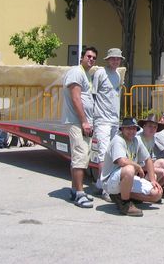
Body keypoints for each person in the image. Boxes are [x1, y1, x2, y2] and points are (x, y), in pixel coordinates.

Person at [100, 117, 163, 217]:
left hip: (128, 179)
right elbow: (121, 161)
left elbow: (148, 159)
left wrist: (152, 180)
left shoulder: (136, 140)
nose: (132, 131)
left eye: (134, 128)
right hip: (110, 181)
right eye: (128, 128)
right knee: (130, 169)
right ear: (122, 129)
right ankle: (125, 204)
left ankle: (120, 196)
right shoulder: (118, 140)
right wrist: (138, 167)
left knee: (157, 194)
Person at [62, 46, 98, 208]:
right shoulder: (76, 72)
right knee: (80, 157)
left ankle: (74, 190)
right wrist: (84, 121)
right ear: (81, 58)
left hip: (83, 122)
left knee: (82, 157)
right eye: (88, 56)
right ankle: (80, 193)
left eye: (93, 57)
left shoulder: (86, 75)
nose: (91, 59)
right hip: (77, 122)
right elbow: (76, 98)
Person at [92, 48, 124, 201]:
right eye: (113, 59)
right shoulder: (100, 73)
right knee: (104, 154)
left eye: (118, 59)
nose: (115, 61)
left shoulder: (118, 75)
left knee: (112, 154)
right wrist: (91, 119)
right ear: (108, 59)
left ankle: (100, 183)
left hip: (114, 120)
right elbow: (93, 95)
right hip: (102, 120)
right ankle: (106, 189)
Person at [137, 114, 164, 185]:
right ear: (144, 126)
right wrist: (160, 170)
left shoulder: (152, 138)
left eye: (155, 127)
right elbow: (137, 164)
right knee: (155, 175)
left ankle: (150, 188)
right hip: (136, 170)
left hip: (145, 166)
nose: (152, 129)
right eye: (150, 126)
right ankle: (144, 190)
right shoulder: (137, 139)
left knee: (162, 162)